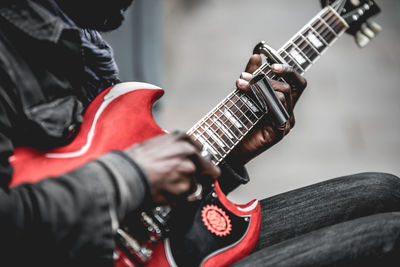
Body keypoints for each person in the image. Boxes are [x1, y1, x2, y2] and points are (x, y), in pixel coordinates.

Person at [0, 0, 398, 267]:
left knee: (383, 190)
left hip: (149, 244)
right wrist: (130, 176)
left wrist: (230, 156)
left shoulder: (73, 42)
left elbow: (89, 164)